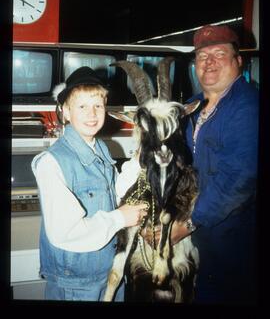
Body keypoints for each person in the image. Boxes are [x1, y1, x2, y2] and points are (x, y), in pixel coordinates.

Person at [31, 66, 147, 301]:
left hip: (111, 274)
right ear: (65, 112)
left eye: (98, 105)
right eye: (82, 106)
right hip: (77, 285)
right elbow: (66, 233)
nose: (92, 114)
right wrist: (120, 218)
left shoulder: (101, 148)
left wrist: (140, 159)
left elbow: (113, 194)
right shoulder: (51, 162)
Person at [163, 24, 258, 305]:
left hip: (235, 239)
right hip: (202, 238)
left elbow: (240, 178)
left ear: (239, 61)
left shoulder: (249, 107)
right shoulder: (190, 106)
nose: (210, 62)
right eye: (203, 57)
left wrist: (189, 222)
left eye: (219, 54)